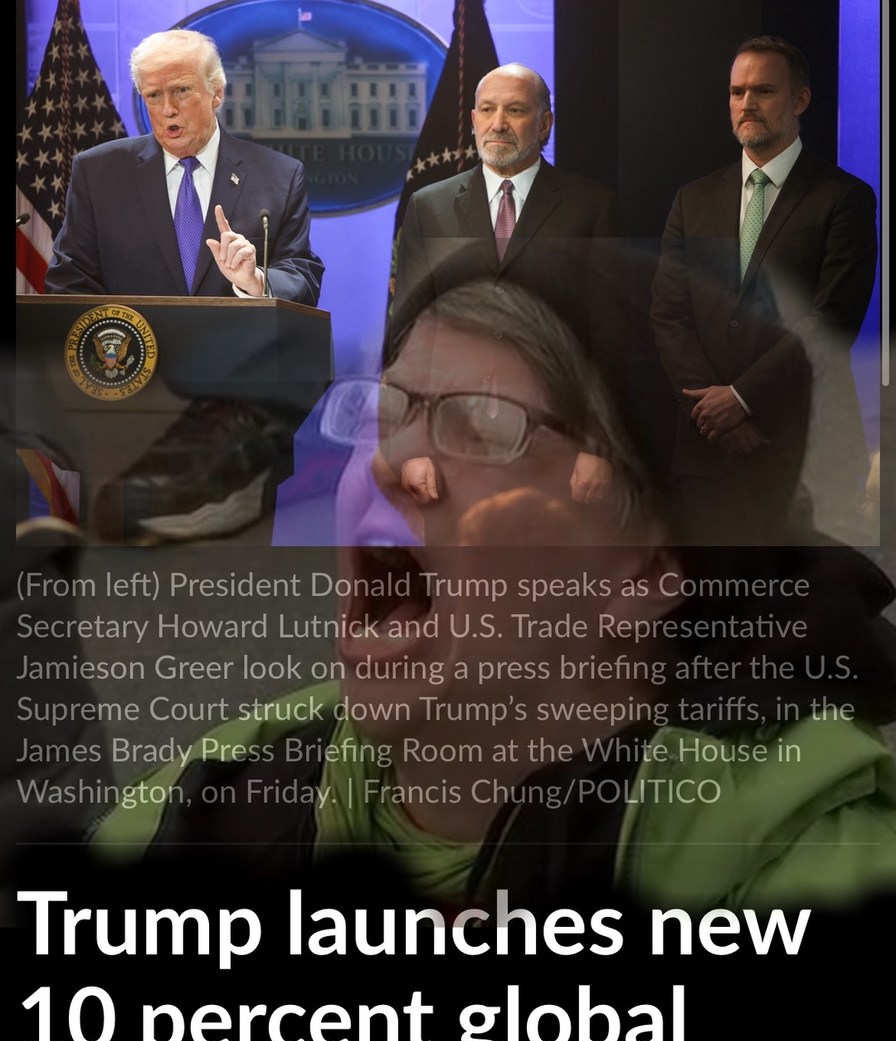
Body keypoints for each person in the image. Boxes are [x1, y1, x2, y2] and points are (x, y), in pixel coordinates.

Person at [91, 278, 896, 911]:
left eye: (482, 422)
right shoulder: (209, 802)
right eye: (386, 409)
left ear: (646, 574)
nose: (386, 461)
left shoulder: (797, 856)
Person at [650, 35, 877, 546]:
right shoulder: (693, 199)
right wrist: (715, 413)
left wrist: (743, 398)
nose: (746, 104)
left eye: (763, 91)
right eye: (736, 92)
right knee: (712, 615)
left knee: (802, 619)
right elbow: (669, 315)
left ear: (800, 100)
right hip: (705, 453)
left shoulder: (845, 199)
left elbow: (832, 317)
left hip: (806, 449)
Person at [44, 28, 324, 303]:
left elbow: (302, 276)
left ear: (216, 93)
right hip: (133, 346)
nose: (168, 109)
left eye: (181, 90)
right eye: (154, 95)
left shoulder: (280, 176)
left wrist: (257, 281)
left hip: (239, 347)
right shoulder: (98, 174)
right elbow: (69, 279)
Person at [390, 62, 623, 349]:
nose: (498, 124)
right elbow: (410, 325)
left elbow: (610, 330)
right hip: (455, 391)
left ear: (544, 124)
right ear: (474, 120)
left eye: (515, 110)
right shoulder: (427, 207)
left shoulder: (592, 207)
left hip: (554, 390)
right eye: (487, 109)